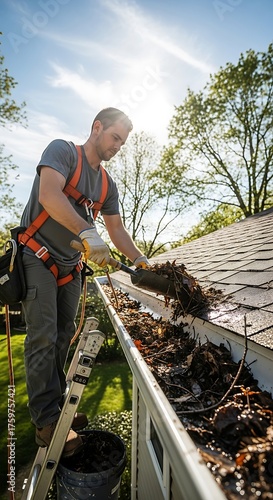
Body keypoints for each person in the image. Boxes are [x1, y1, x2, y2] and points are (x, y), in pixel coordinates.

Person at [20, 107, 149, 457]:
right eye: (115, 137)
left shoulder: (107, 185)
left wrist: (141, 260)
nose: (118, 146)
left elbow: (117, 229)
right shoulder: (62, 151)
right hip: (36, 255)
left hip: (70, 267)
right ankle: (46, 423)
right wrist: (86, 230)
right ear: (96, 127)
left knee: (62, 337)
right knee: (44, 334)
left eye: (123, 143)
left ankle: (59, 407)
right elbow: (49, 195)